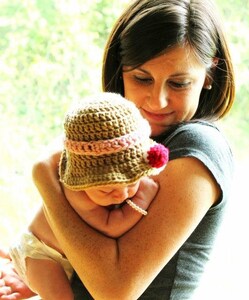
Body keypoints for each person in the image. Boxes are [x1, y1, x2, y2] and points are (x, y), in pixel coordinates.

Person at [0, 0, 235, 299]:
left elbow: (115, 292)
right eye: (141, 78)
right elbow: (82, 233)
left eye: (178, 83)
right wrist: (42, 267)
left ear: (210, 74)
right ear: (120, 69)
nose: (157, 100)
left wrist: (46, 179)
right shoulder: (127, 140)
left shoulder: (198, 147)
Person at [7, 93, 169, 300]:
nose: (122, 194)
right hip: (41, 254)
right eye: (107, 190)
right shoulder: (77, 194)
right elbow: (111, 227)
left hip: (66, 256)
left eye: (132, 182)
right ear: (82, 181)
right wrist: (141, 199)